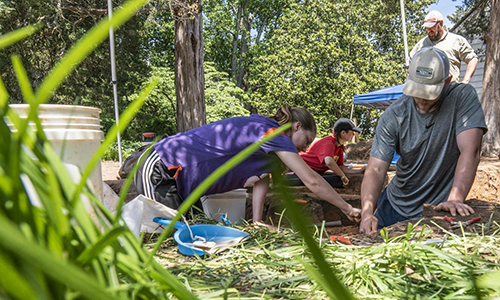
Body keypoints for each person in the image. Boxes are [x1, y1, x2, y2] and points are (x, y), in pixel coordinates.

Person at [134, 105, 361, 226]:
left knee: (197, 235)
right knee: (171, 240)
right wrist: (347, 208)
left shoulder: (267, 142)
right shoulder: (274, 133)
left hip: (184, 188)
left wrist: (258, 221)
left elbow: (263, 177)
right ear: (297, 126)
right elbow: (312, 180)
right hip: (162, 167)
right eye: (306, 141)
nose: (304, 149)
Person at [359, 47, 487, 234]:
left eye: (429, 92)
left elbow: (471, 150)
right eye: (417, 89)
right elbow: (376, 170)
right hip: (394, 207)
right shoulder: (394, 115)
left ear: (447, 82)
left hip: (436, 211)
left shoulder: (462, 98)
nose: (421, 98)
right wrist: (367, 213)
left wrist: (455, 198)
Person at [409, 10, 478, 84]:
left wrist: (466, 81)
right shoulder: (421, 44)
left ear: (441, 23)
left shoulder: (455, 40)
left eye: (432, 27)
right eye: (427, 28)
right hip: (427, 90)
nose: (429, 30)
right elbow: (410, 64)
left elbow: (472, 59)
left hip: (449, 90)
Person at [300, 118, 365, 186]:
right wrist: (342, 176)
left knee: (336, 180)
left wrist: (359, 171)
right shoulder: (328, 142)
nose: (354, 135)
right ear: (343, 133)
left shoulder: (339, 147)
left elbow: (340, 167)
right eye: (352, 132)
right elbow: (329, 161)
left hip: (311, 172)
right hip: (299, 169)